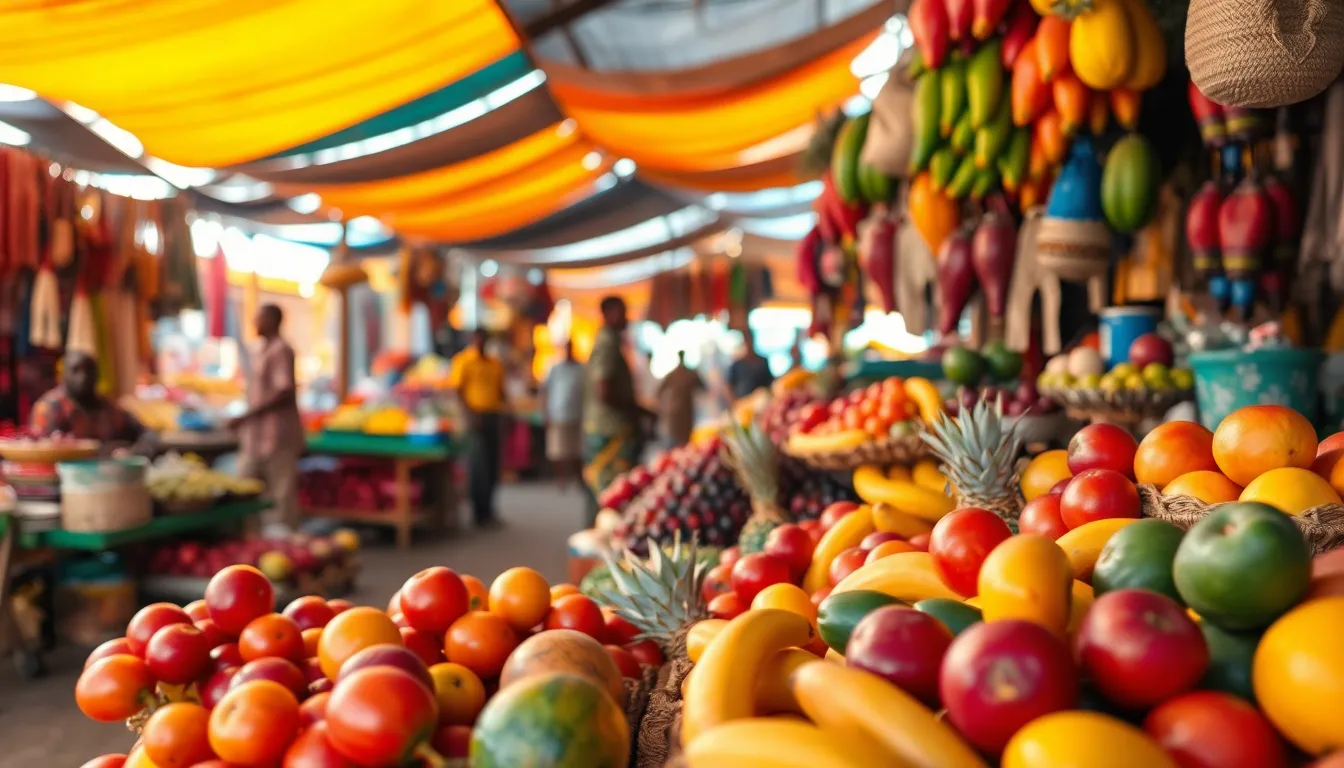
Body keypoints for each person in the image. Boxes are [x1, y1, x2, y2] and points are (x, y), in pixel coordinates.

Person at [229, 304, 304, 533]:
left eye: (259, 318)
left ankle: (286, 542)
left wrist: (247, 416)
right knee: (246, 490)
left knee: (281, 497)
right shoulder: (260, 350)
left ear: (272, 320)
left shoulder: (281, 350)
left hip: (277, 436)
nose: (255, 322)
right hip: (255, 438)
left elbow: (284, 391)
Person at [583, 296, 652, 526]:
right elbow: (604, 389)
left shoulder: (610, 342)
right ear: (609, 313)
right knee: (609, 492)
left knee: (606, 491)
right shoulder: (607, 344)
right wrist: (636, 409)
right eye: (622, 312)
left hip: (609, 427)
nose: (626, 318)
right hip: (610, 430)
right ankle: (597, 536)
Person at [30, 351, 150, 452]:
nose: (84, 376)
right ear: (63, 375)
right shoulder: (49, 407)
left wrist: (134, 451)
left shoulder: (107, 407)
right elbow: (41, 448)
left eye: (89, 370)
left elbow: (144, 433)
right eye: (75, 370)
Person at [448, 328, 506, 528]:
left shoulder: (495, 363)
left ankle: (489, 509)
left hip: (493, 416)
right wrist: (470, 416)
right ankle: (478, 512)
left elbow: (501, 391)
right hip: (475, 418)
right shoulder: (463, 361)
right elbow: (458, 391)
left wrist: (506, 412)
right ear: (472, 339)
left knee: (492, 465)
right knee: (478, 466)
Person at [541, 340, 584, 490]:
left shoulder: (580, 369)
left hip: (577, 414)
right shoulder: (554, 368)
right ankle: (561, 479)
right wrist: (545, 412)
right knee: (557, 451)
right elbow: (545, 391)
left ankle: (578, 478)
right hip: (558, 414)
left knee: (576, 450)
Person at [657, 350, 703, 448]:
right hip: (678, 414)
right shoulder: (678, 373)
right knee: (677, 442)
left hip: (686, 413)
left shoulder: (689, 373)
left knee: (685, 441)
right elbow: (659, 391)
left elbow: (703, 387)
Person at [725, 329, 775, 401]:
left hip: (764, 399)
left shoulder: (763, 360)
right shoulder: (736, 365)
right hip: (744, 402)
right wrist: (734, 402)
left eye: (749, 340)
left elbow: (771, 381)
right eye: (746, 340)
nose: (748, 343)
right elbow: (729, 386)